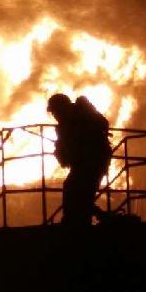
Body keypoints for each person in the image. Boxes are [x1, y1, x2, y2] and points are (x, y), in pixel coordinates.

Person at [47, 93, 112, 226]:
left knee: (77, 190)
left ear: (62, 108)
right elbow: (65, 160)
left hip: (93, 161)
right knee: (76, 190)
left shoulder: (80, 115)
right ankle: (79, 221)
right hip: (88, 162)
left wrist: (64, 146)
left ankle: (77, 224)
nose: (55, 116)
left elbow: (99, 127)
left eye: (55, 112)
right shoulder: (66, 125)